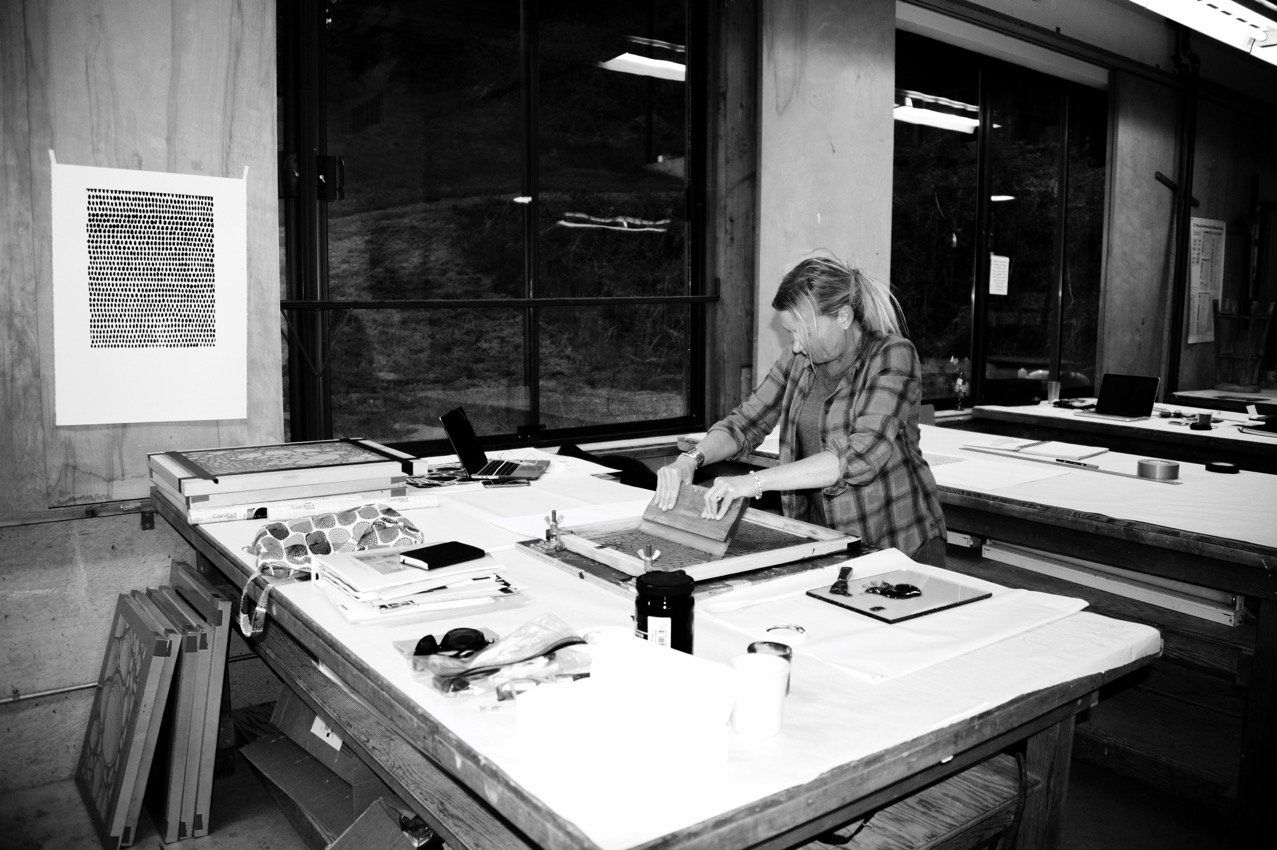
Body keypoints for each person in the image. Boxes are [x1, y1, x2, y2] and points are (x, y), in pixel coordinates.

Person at [655, 254, 947, 567]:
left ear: (843, 317)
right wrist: (690, 460)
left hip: (898, 542)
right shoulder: (799, 359)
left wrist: (754, 483)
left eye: (801, 332)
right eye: (791, 333)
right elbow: (745, 422)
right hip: (827, 539)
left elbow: (859, 456)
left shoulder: (892, 356)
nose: (795, 345)